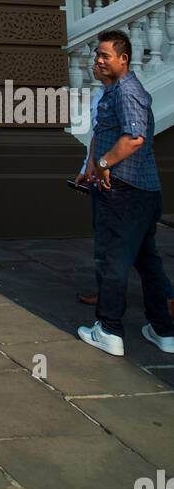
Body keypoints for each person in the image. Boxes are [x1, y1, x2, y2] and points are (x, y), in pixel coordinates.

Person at [77, 31, 174, 357]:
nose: (98, 61)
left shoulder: (128, 92)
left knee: (112, 261)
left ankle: (108, 330)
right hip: (137, 191)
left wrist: (104, 164)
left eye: (105, 56)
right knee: (147, 261)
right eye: (97, 56)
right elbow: (105, 132)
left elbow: (134, 138)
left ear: (124, 59)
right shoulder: (113, 91)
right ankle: (163, 330)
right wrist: (93, 162)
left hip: (123, 192)